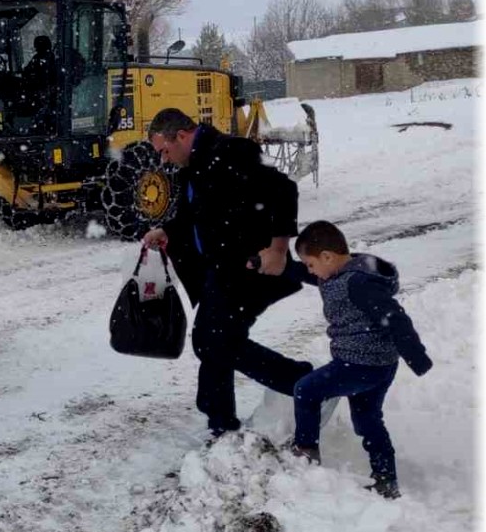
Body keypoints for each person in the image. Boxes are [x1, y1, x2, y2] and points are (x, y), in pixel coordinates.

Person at [142, 108, 313, 438]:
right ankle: (222, 421)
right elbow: (197, 216)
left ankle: (303, 383)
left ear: (181, 135)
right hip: (221, 270)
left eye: (164, 149)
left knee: (215, 341)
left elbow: (284, 189)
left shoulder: (232, 152)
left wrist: (278, 249)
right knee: (212, 340)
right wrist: (167, 231)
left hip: (250, 266)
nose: (164, 158)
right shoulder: (194, 166)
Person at [285, 220, 432, 499]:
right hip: (378, 366)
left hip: (360, 365)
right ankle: (386, 481)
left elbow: (395, 318)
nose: (310, 271)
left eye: (311, 264)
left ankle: (305, 452)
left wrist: (417, 356)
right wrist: (269, 264)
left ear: (327, 257)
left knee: (306, 390)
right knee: (368, 421)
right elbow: (302, 273)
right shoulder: (340, 271)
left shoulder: (358, 283)